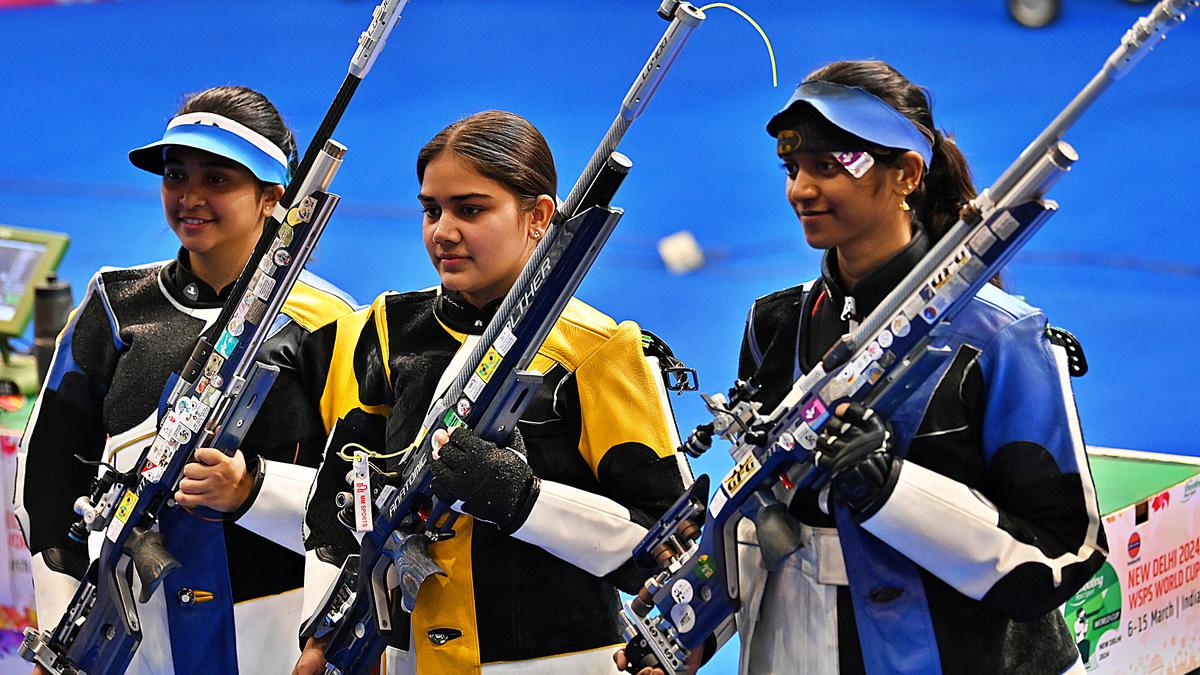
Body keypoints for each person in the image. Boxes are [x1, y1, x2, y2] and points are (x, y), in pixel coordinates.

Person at [726, 60, 1107, 674]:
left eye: (829, 166)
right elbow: (754, 505)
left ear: (906, 174)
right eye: (792, 168)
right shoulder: (774, 323)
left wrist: (892, 488)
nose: (800, 189)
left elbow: (1067, 555)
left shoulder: (1003, 337)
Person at [294, 109, 692, 674]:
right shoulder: (381, 330)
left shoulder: (602, 350)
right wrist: (321, 636)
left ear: (540, 216)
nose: (443, 231)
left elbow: (667, 550)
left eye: (471, 209)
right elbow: (336, 506)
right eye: (431, 209)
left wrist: (524, 501)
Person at [14, 85, 358, 674]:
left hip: (275, 627)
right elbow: (44, 478)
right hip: (132, 627)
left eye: (218, 180)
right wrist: (64, 621)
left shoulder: (328, 321)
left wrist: (255, 490)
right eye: (176, 176)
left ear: (274, 196)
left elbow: (362, 492)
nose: (189, 198)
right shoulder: (114, 303)